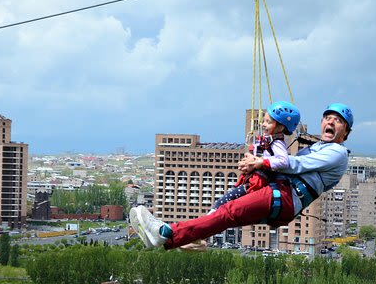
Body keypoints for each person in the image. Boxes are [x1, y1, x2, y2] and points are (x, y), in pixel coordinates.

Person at [130, 103, 353, 250]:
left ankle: (166, 234)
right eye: (327, 118)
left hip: (285, 196)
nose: (330, 122)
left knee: (230, 212)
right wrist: (255, 164)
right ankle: (190, 237)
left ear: (345, 131)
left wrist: (259, 162)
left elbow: (294, 165)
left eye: (337, 120)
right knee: (226, 207)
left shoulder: (337, 153)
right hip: (281, 194)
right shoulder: (319, 147)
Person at [211, 100, 299, 211]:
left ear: (280, 127)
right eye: (264, 121)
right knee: (226, 203)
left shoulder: (277, 143)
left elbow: (283, 161)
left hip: (257, 184)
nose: (263, 124)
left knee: (223, 203)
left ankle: (210, 217)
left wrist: (261, 162)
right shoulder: (270, 141)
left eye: (268, 122)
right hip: (252, 181)